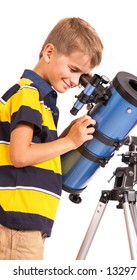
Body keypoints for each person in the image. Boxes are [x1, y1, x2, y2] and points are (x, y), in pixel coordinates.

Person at [0, 17, 103, 260]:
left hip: (25, 222)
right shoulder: (28, 94)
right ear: (49, 52)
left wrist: (68, 134)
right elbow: (20, 155)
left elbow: (38, 151)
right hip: (17, 222)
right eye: (73, 70)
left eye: (83, 76)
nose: (76, 81)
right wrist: (70, 142)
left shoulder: (43, 102)